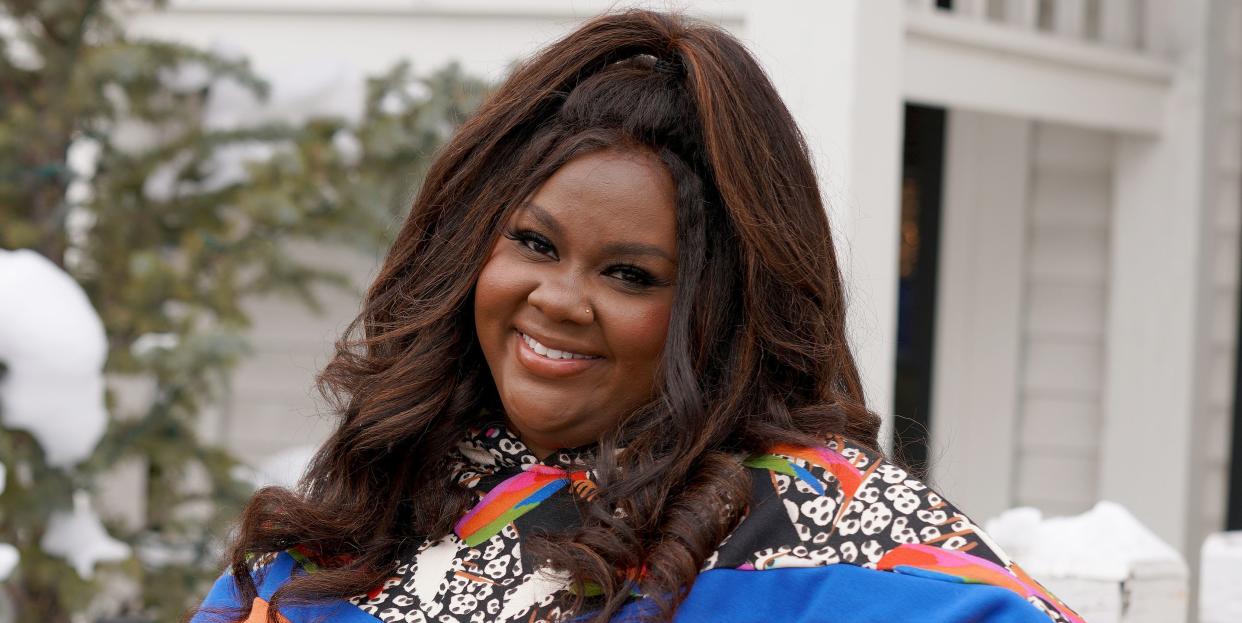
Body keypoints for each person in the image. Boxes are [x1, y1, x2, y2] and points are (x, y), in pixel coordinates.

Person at [191, 9, 1081, 623]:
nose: (559, 299)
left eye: (629, 273)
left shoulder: (820, 524)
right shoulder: (382, 497)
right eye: (535, 244)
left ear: (717, 313)